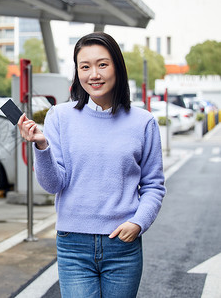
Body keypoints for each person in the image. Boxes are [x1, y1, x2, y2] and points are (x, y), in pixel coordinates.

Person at [17, 32, 166, 298]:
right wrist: (41, 146)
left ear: (117, 68)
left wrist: (138, 223)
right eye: (84, 67)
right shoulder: (59, 117)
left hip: (123, 244)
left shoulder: (143, 122)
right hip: (73, 244)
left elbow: (154, 185)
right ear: (77, 72)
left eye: (102, 64)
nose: (93, 74)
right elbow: (53, 185)